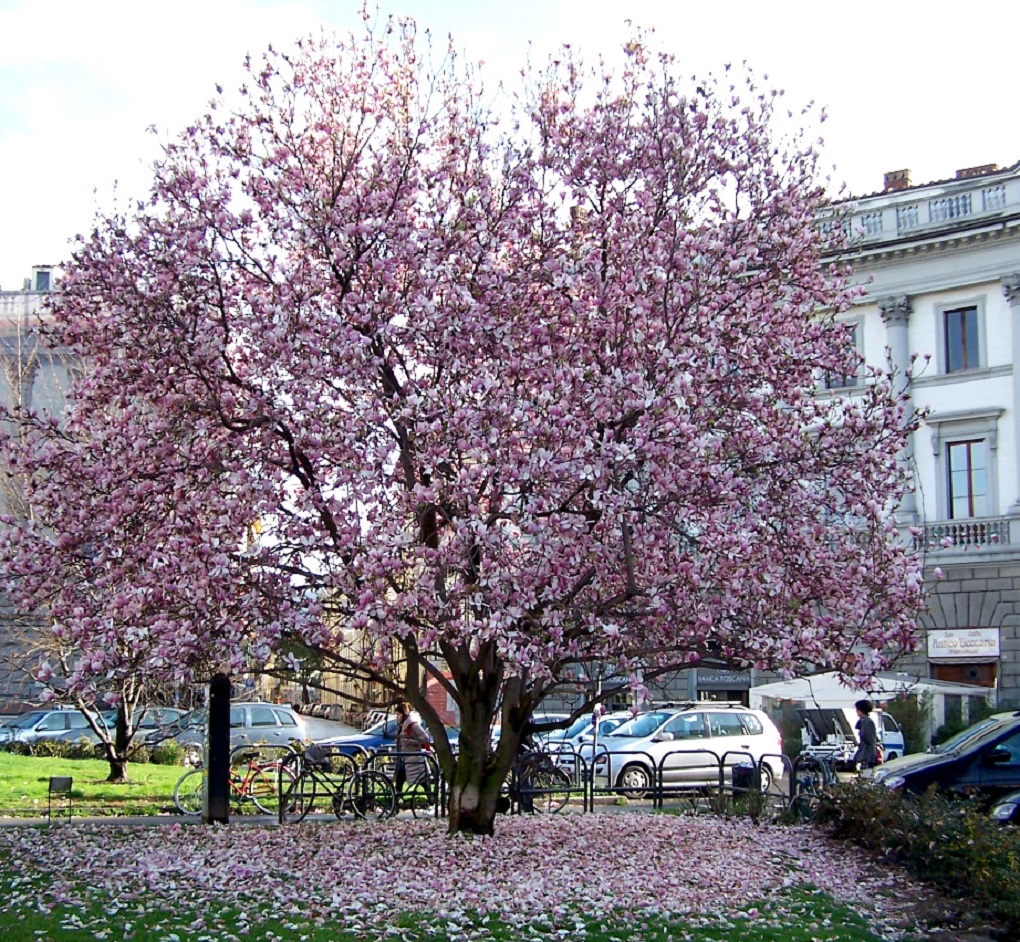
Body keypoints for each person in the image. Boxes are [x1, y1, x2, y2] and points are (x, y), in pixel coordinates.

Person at [393, 702, 430, 795]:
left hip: (415, 757)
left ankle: (396, 797)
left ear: (404, 714)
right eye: (396, 715)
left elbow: (425, 738)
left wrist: (410, 742)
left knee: (421, 780)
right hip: (408, 757)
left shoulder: (413, 725)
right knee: (403, 777)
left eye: (398, 714)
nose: (397, 717)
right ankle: (396, 797)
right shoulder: (402, 725)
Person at [853, 699, 880, 770]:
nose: (856, 711)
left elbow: (870, 740)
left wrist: (871, 757)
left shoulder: (867, 722)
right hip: (865, 753)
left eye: (857, 709)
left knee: (866, 773)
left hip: (867, 754)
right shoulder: (864, 721)